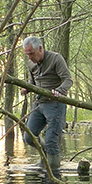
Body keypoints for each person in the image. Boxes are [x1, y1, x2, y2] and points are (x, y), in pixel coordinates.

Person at [21, 36, 73, 170]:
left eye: (31, 54)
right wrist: (27, 88)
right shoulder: (31, 64)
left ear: (40, 48)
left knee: (50, 140)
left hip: (55, 104)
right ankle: (45, 158)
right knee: (29, 137)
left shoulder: (56, 59)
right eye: (27, 54)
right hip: (38, 104)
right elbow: (34, 82)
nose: (30, 57)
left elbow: (68, 80)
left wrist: (59, 91)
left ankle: (54, 172)